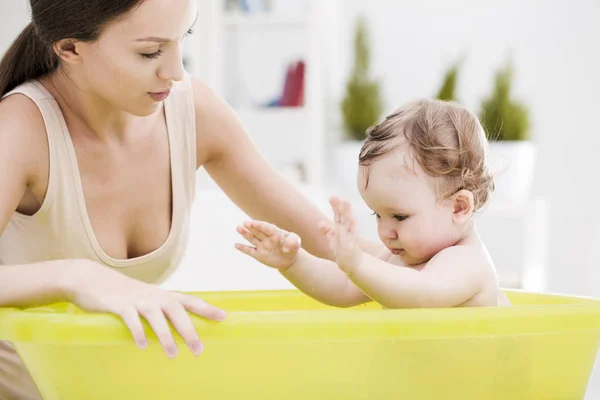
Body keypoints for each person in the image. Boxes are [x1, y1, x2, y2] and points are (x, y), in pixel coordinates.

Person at [0, 0, 385, 398]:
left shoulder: (191, 109)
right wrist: (76, 276)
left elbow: (329, 244)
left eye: (183, 38)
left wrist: (436, 264)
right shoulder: (19, 129)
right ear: (70, 49)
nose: (176, 71)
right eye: (149, 52)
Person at [236, 99, 511, 309]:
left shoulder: (466, 261)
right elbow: (343, 287)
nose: (385, 231)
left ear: (459, 208)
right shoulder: (399, 259)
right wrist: (293, 261)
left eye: (400, 217)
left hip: (473, 383)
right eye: (377, 214)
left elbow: (421, 293)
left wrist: (357, 263)